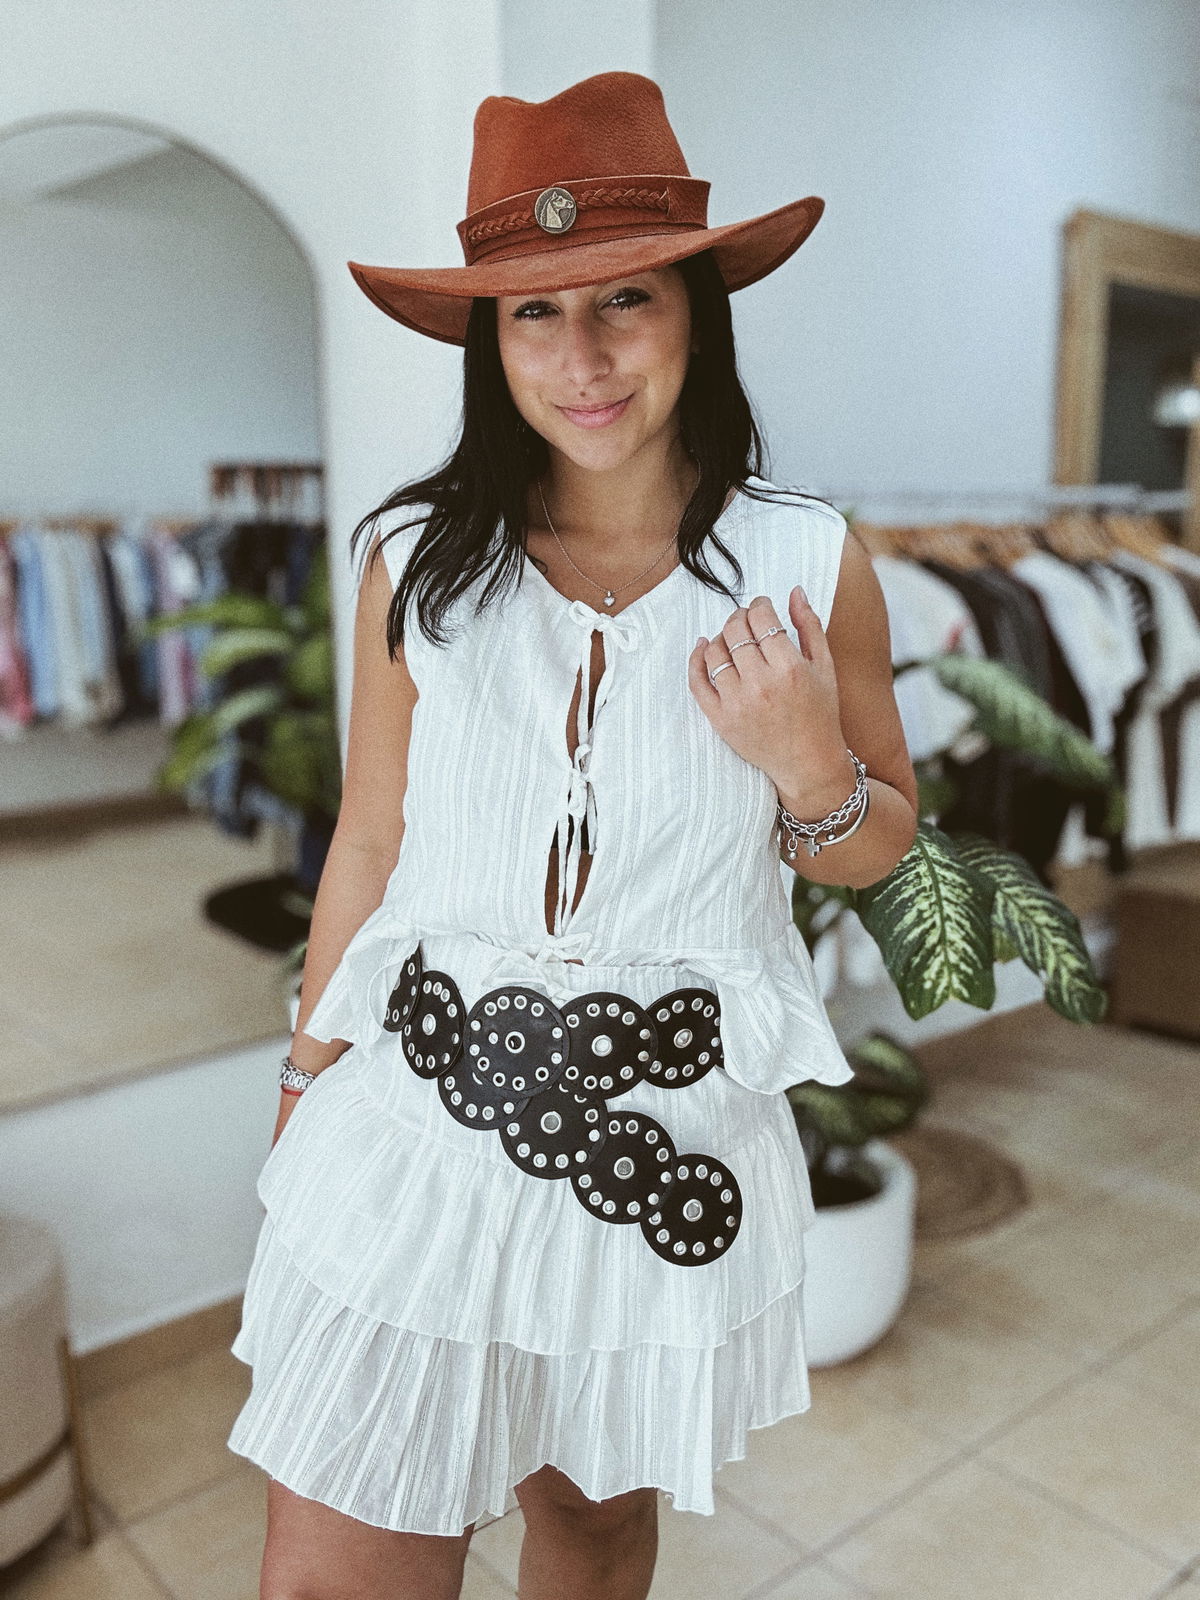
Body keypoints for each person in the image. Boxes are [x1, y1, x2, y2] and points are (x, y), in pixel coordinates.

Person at [228, 68, 918, 1600]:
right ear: (490, 340)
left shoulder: (806, 562)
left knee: (594, 1535)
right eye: (533, 313)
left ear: (696, 314)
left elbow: (880, 844)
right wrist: (304, 1078)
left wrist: (807, 765)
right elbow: (369, 841)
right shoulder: (415, 559)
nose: (583, 357)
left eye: (624, 300)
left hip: (659, 1148)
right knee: (331, 1571)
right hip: (416, 1134)